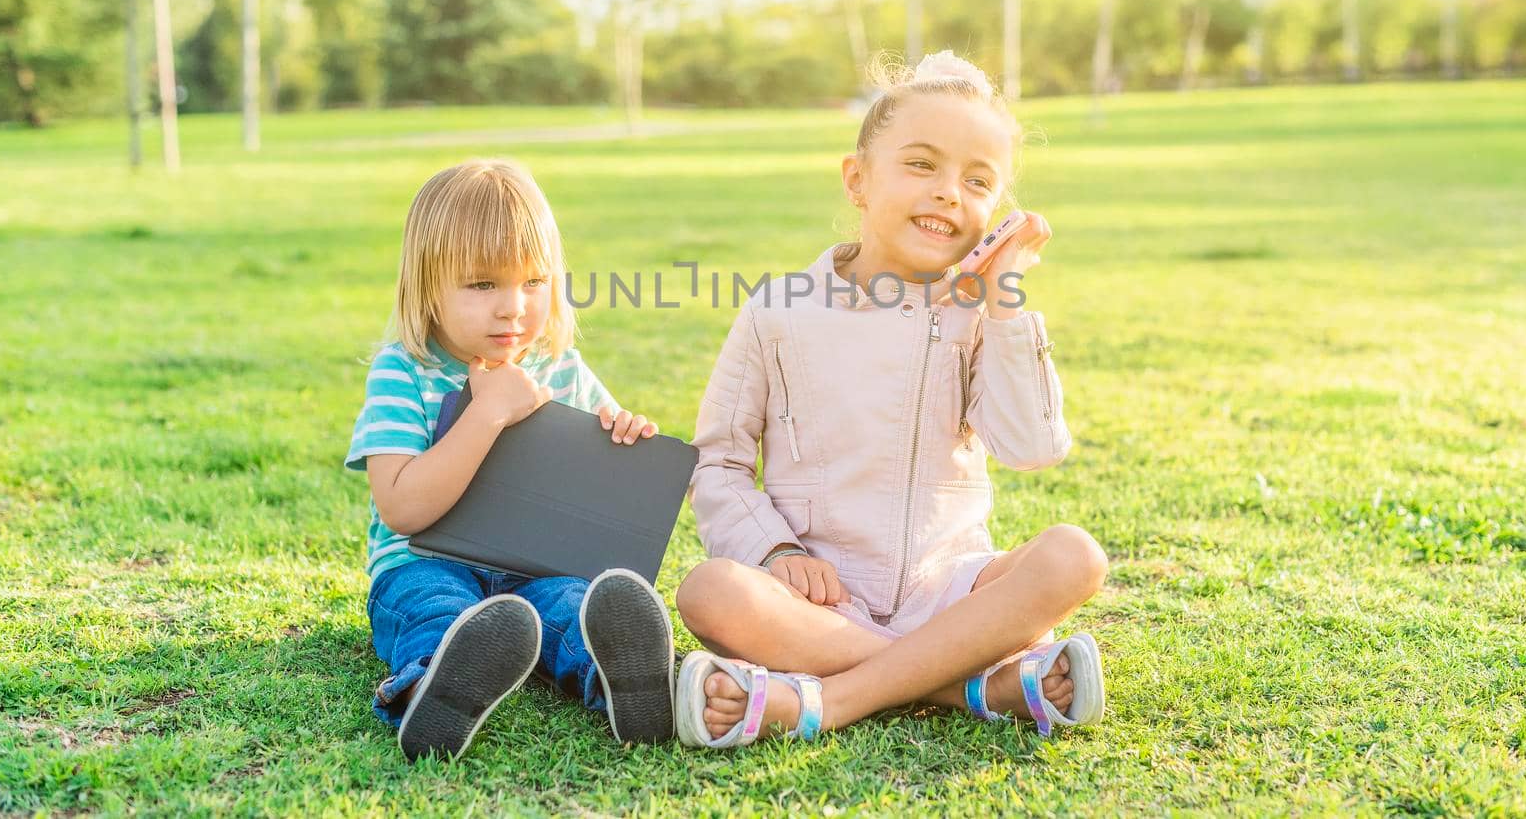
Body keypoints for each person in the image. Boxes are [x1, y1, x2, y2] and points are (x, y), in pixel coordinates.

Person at [673, 51, 1108, 747]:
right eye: (921, 165)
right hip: (819, 601)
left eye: (977, 181)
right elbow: (718, 463)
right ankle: (976, 688)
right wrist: (777, 551)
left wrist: (1006, 303)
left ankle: (821, 703)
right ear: (858, 180)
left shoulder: (983, 316)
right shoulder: (777, 311)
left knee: (1074, 557)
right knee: (710, 590)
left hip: (952, 591)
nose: (947, 193)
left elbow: (1032, 449)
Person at [345, 159, 675, 760]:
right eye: (482, 285)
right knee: (435, 609)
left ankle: (626, 681)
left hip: (538, 566)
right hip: (424, 562)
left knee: (574, 608)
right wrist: (486, 413)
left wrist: (623, 436)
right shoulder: (402, 372)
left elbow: (595, 490)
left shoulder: (559, 368)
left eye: (533, 282)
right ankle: (432, 688)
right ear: (427, 288)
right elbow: (401, 508)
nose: (513, 308)